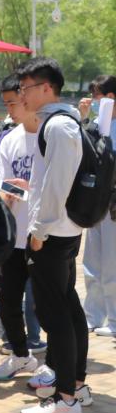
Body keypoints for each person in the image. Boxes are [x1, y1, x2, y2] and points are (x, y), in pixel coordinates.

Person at [16, 57, 91, 413]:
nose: (22, 96)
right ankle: (75, 386)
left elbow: (57, 184)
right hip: (64, 230)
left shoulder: (59, 126)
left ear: (47, 88)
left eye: (26, 89)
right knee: (67, 308)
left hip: (53, 233)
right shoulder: (65, 122)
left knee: (55, 314)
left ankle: (66, 399)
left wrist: (39, 230)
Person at [0, 76, 45, 382]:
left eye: (13, 102)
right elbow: (3, 185)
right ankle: (22, 355)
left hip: (43, 235)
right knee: (7, 299)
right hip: (14, 236)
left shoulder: (50, 135)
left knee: (49, 303)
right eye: (6, 103)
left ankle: (58, 368)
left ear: (27, 98)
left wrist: (23, 188)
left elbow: (55, 187)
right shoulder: (9, 139)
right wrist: (19, 189)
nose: (9, 109)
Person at [80, 74, 116, 336]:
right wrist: (83, 119)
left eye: (97, 96)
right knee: (92, 261)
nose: (93, 100)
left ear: (111, 98)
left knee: (112, 262)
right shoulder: (94, 126)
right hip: (95, 202)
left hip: (113, 203)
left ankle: (114, 319)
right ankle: (93, 315)